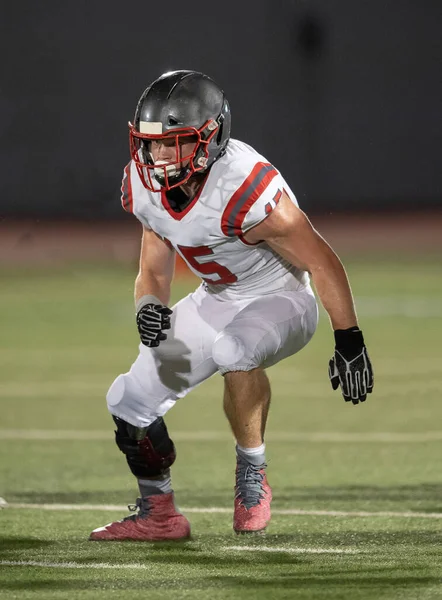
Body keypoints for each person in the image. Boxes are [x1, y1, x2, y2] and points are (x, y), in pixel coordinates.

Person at [90, 70, 374, 541]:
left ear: (210, 137)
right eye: (151, 143)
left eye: (174, 143)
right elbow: (155, 265)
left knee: (233, 351)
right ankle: (159, 515)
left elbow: (323, 263)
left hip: (282, 296)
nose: (158, 156)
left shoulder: (245, 185)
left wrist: (349, 338)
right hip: (216, 298)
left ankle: (252, 474)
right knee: (128, 401)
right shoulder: (144, 181)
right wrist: (147, 306)